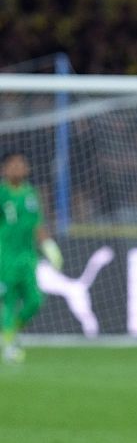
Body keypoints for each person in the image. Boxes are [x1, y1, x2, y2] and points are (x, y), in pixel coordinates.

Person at [0, 152, 63, 364]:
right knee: (8, 302)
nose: (19, 167)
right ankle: (8, 346)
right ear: (5, 169)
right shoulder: (2, 194)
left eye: (22, 163)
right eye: (14, 164)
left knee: (35, 301)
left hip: (28, 258)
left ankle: (8, 334)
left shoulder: (31, 194)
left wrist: (49, 246)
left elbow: (37, 224)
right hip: (5, 258)